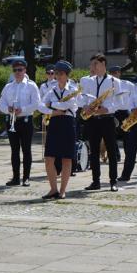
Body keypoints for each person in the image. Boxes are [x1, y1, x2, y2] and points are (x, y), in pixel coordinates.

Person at [79, 53, 121, 192]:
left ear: (103, 64)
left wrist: (107, 109)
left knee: (111, 151)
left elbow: (120, 102)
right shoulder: (89, 81)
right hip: (93, 120)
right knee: (94, 151)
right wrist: (85, 106)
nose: (92, 67)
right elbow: (82, 98)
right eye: (92, 64)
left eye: (95, 64)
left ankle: (113, 181)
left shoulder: (115, 82)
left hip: (107, 119)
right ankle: (95, 181)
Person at [39, 61, 80, 199]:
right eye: (56, 73)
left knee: (66, 159)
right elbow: (40, 106)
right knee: (49, 158)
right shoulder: (52, 89)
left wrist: (52, 105)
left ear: (67, 75)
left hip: (68, 123)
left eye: (61, 74)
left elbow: (69, 105)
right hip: (55, 122)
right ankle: (53, 189)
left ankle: (62, 190)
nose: (58, 76)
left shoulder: (73, 89)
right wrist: (53, 111)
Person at [0, 60, 40, 187]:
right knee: (14, 150)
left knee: (26, 150)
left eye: (20, 70)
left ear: (25, 70)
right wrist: (8, 109)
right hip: (12, 120)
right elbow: (1, 103)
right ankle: (16, 177)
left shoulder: (31, 85)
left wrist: (22, 109)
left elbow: (36, 103)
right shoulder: (8, 86)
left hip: (25, 120)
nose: (17, 72)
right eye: (15, 70)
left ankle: (26, 178)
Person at [109, 65, 134, 162]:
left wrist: (131, 110)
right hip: (113, 112)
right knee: (112, 135)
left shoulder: (128, 84)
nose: (114, 75)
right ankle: (116, 156)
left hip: (125, 112)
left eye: (116, 73)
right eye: (112, 73)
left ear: (119, 73)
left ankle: (129, 157)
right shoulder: (108, 84)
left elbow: (134, 97)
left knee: (127, 136)